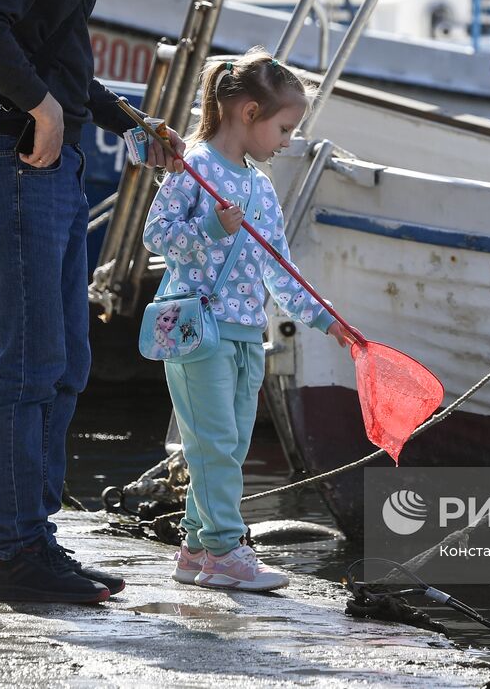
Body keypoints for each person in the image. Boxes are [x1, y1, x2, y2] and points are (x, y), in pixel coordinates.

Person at [0, 0, 197, 604]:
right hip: (17, 163)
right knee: (27, 362)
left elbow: (54, 55)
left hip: (51, 168)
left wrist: (131, 120)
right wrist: (42, 108)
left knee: (65, 362)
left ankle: (36, 538)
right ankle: (15, 549)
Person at [143, 49, 351, 592]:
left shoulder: (260, 189)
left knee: (229, 444)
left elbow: (280, 268)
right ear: (250, 113)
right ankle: (227, 551)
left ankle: (195, 549)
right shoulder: (192, 168)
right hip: (196, 331)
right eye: (284, 127)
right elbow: (157, 235)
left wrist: (324, 319)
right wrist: (210, 228)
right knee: (212, 441)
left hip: (245, 334)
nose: (287, 140)